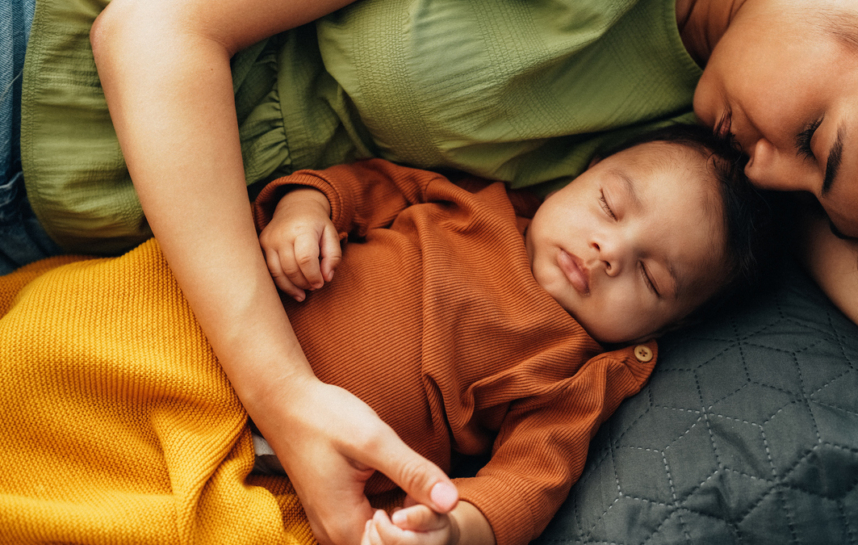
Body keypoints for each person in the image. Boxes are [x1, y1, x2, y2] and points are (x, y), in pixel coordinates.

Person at [2, 0, 858, 542]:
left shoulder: (720, 178)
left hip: (141, 291)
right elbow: (152, 30)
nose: (772, 174)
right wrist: (286, 394)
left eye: (817, 197)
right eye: (814, 141)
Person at [0, 126, 776, 545]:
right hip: (199, 325)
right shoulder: (476, 203)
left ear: (665, 329)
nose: (611, 249)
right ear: (579, 174)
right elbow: (359, 184)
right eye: (611, 204)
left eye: (652, 277)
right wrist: (304, 212)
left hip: (269, 459)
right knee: (48, 347)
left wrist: (458, 523)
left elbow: (528, 481)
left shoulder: (575, 373)